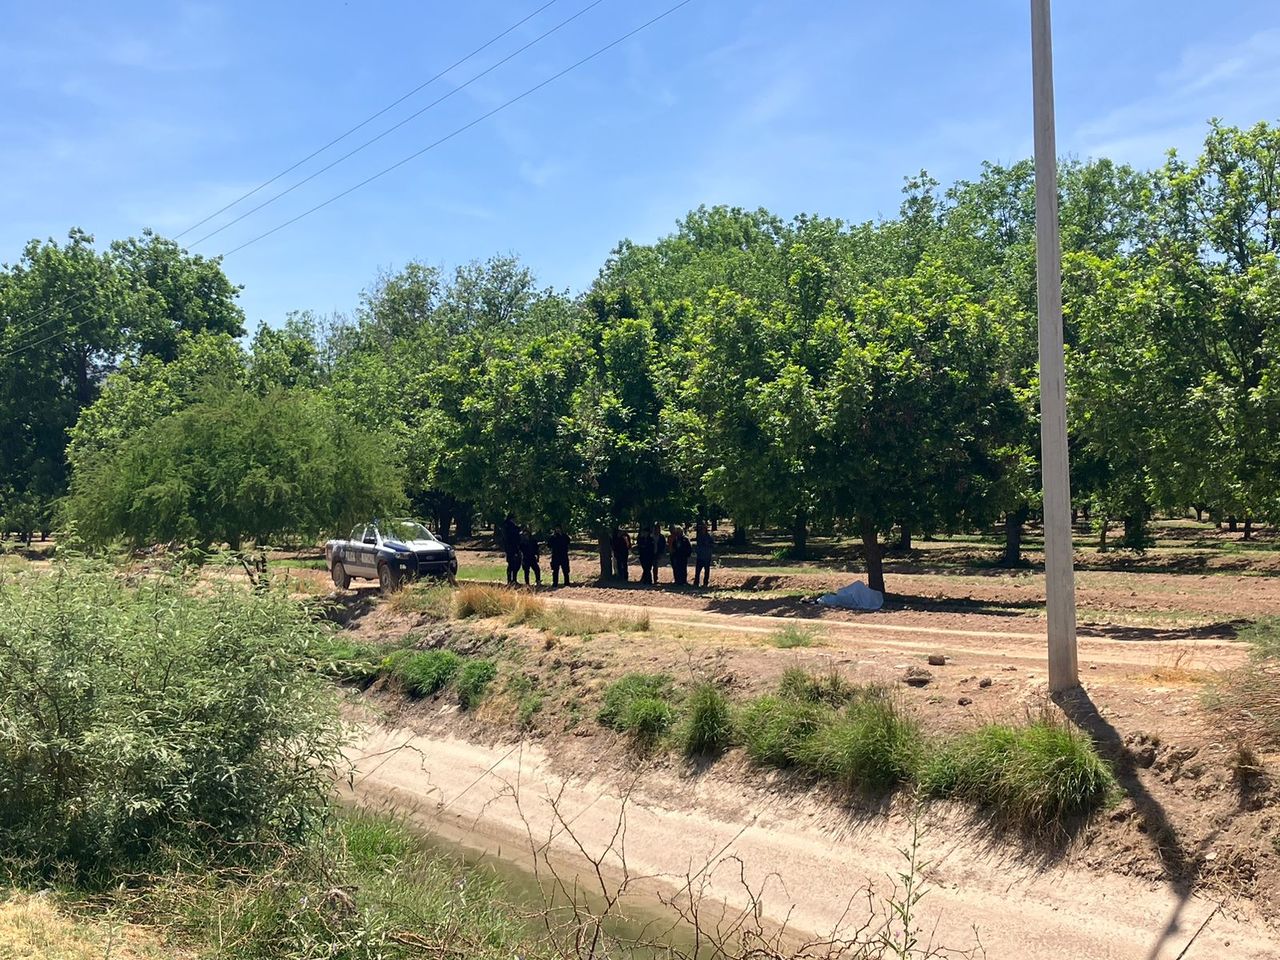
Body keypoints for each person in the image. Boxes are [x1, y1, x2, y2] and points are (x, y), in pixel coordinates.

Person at [501, 513, 521, 585]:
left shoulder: (507, 526)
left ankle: (512, 579)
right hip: (512, 547)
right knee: (512, 564)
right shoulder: (509, 527)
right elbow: (512, 537)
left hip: (511, 547)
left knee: (514, 564)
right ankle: (511, 580)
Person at [695, 520, 714, 587]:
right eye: (702, 528)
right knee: (698, 570)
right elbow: (698, 545)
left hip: (707, 556)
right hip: (700, 556)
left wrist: (708, 545)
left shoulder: (709, 536)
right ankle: (696, 582)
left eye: (704, 528)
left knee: (707, 570)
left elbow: (712, 544)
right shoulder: (699, 536)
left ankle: (705, 583)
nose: (703, 529)